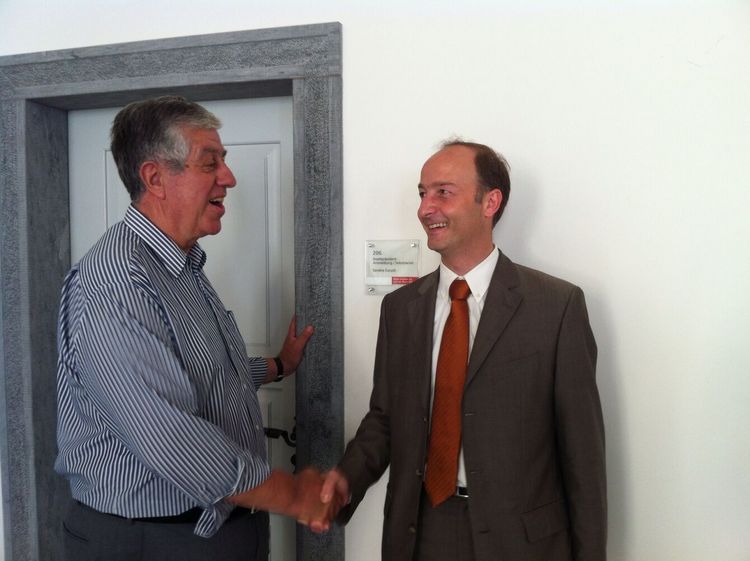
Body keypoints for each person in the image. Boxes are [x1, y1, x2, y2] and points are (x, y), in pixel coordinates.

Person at [55, 95, 331, 561]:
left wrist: (279, 365)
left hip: (213, 531)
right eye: (210, 163)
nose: (229, 177)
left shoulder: (182, 266)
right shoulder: (116, 281)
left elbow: (203, 373)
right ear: (154, 178)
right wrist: (294, 495)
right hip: (154, 541)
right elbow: (167, 436)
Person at [321, 140, 607, 561]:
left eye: (443, 192)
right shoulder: (400, 309)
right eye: (423, 193)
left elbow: (583, 456)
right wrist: (347, 479)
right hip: (419, 532)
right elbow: (385, 418)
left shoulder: (556, 306)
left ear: (490, 202)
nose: (425, 208)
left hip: (520, 542)